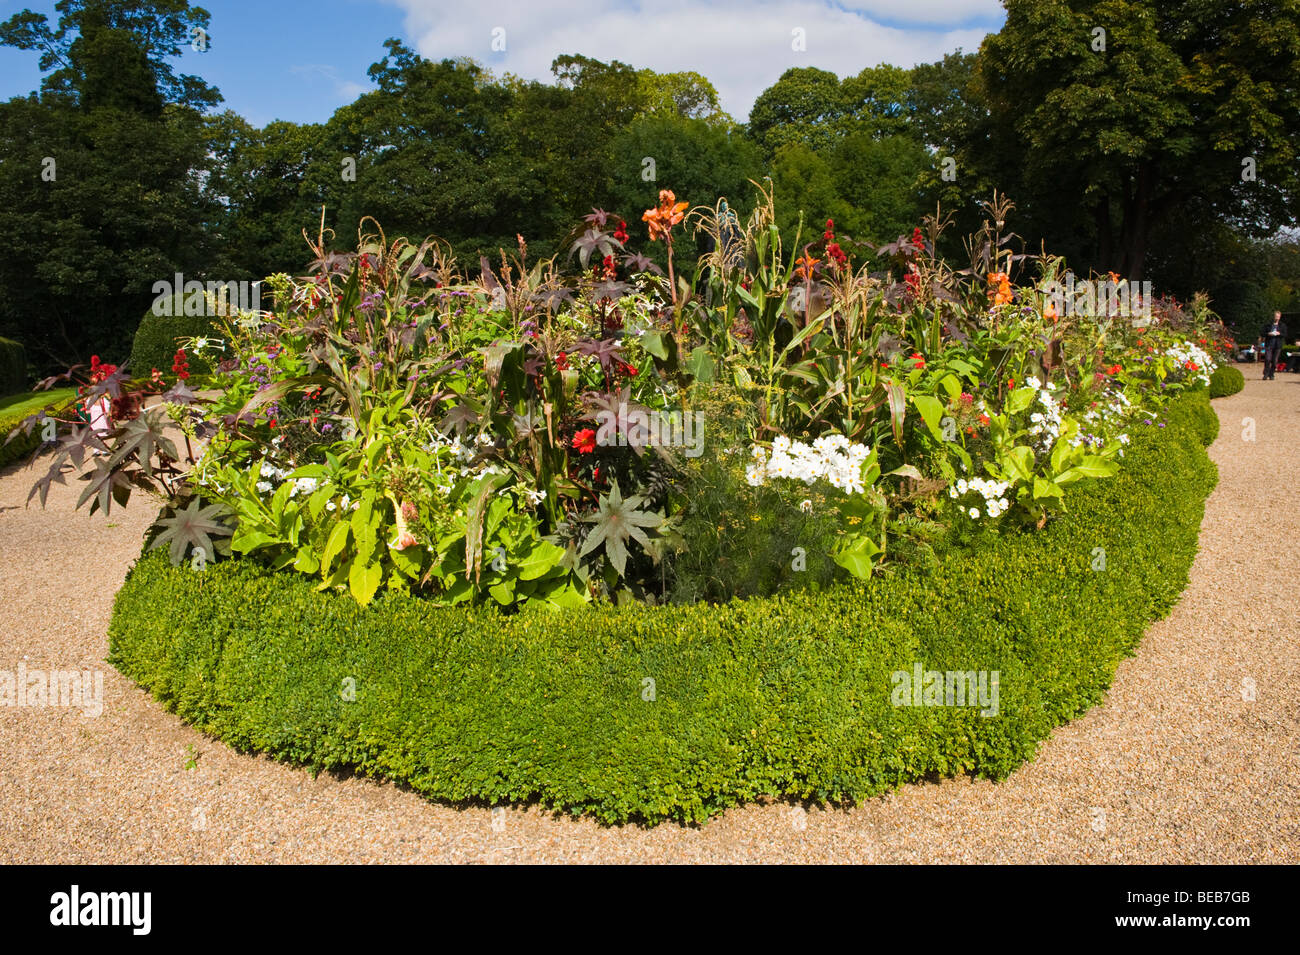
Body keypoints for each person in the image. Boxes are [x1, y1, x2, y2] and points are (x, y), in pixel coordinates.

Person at [1263, 312, 1287, 379]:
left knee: (1274, 361)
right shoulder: (1268, 325)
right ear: (1273, 316)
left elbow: (1285, 334)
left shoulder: (1282, 325)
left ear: (1280, 317)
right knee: (1267, 359)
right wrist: (1268, 333)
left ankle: (1271, 374)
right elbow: (1262, 333)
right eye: (1276, 316)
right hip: (1269, 345)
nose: (1277, 318)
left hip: (1277, 345)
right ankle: (1266, 374)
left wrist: (1279, 333)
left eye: (1278, 316)